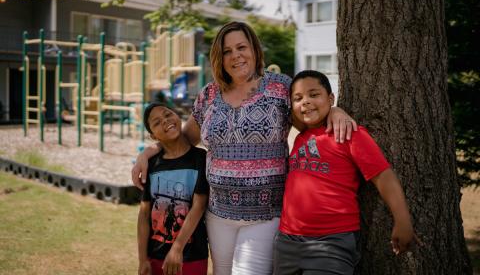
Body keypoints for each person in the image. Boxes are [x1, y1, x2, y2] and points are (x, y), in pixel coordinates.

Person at [132, 21, 357, 275]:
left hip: (265, 214)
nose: (235, 55)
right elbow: (183, 140)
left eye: (241, 47)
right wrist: (149, 151)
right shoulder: (208, 95)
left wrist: (335, 110)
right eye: (227, 51)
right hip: (218, 214)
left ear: (254, 49)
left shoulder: (280, 88)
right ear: (220, 57)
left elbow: (310, 115)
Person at [273, 70, 416, 275]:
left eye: (314, 95)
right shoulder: (300, 136)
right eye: (298, 98)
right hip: (287, 242)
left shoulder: (348, 132)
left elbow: (383, 176)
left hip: (331, 242)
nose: (305, 102)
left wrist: (403, 221)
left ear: (330, 98)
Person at [137, 102, 209, 275]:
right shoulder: (152, 165)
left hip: (192, 255)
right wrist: (142, 259)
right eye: (156, 122)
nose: (165, 121)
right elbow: (144, 214)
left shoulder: (201, 158)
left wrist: (177, 250)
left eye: (168, 114)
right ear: (153, 136)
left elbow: (198, 206)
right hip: (156, 256)